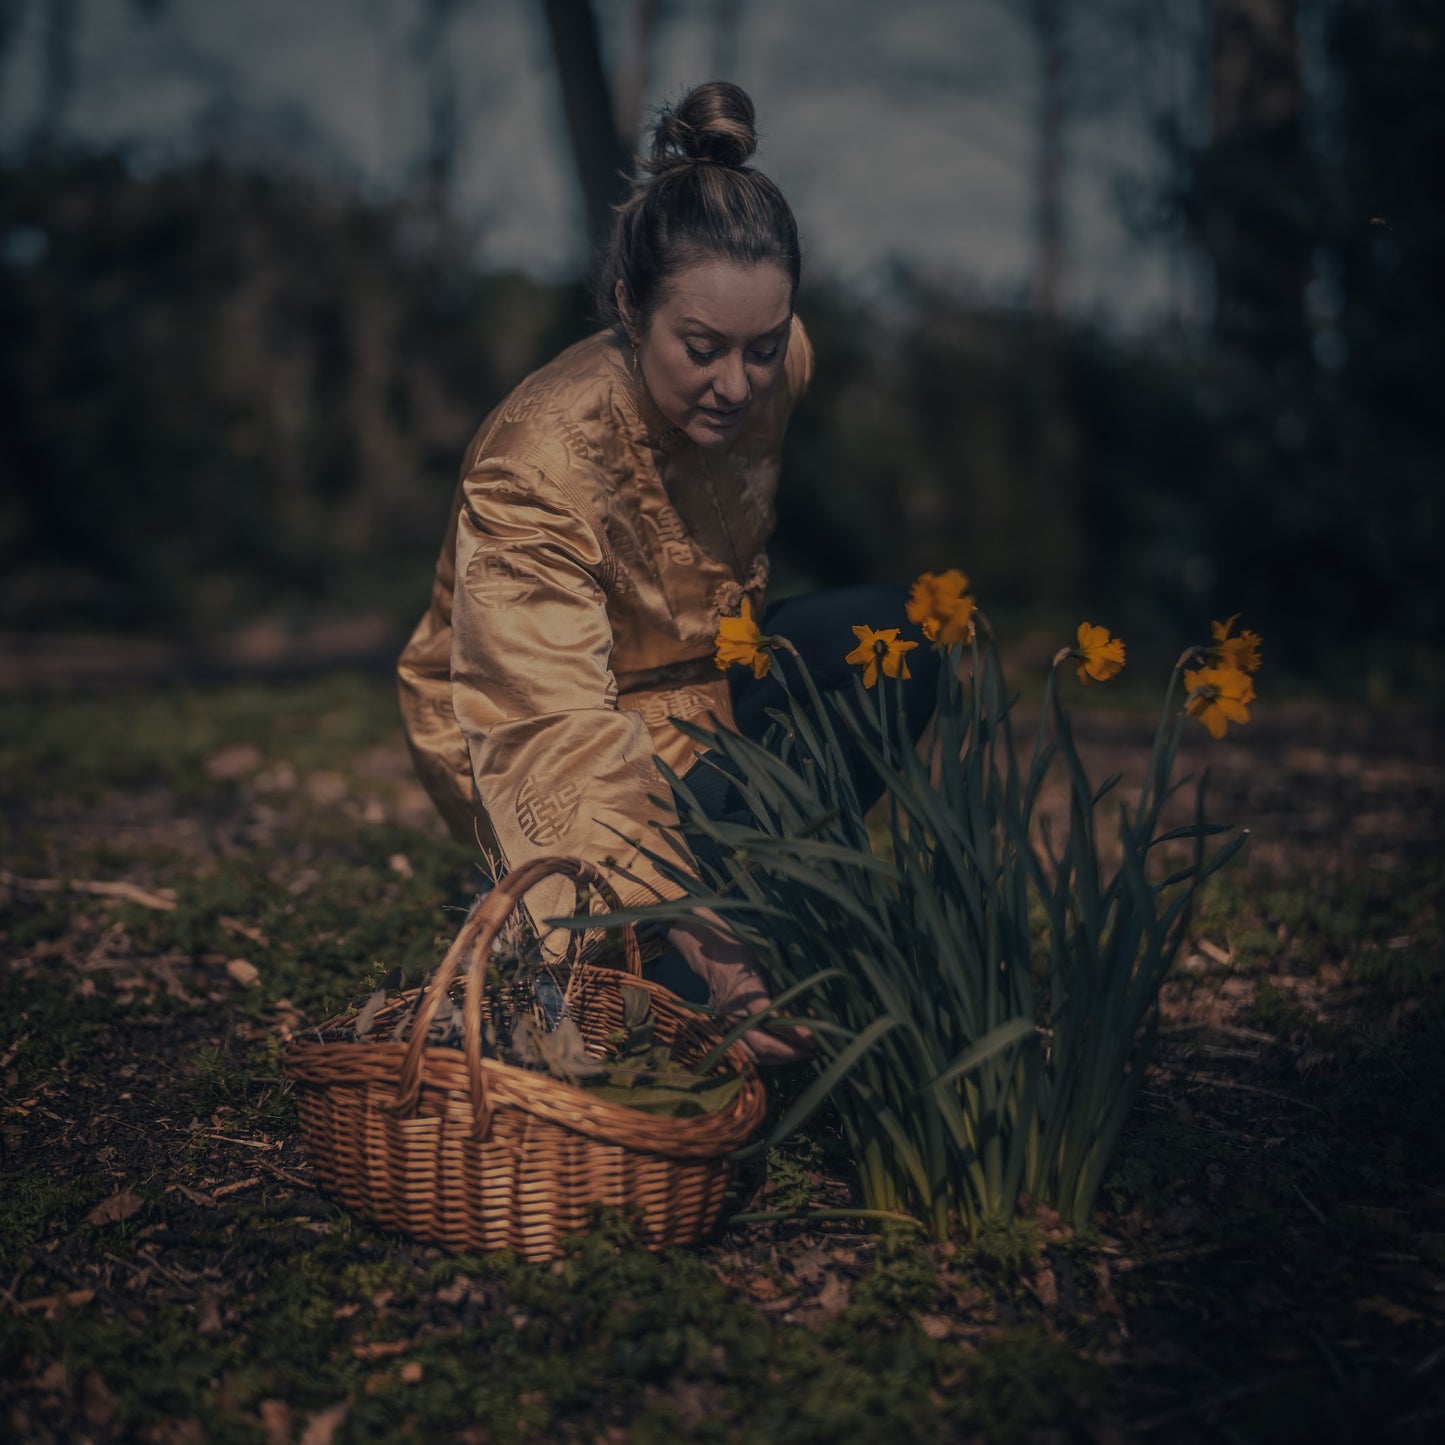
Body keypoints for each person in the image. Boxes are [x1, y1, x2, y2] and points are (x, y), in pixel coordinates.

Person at [397, 81, 936, 1063]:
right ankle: (606, 926)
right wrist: (713, 945)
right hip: (537, 722)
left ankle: (736, 896)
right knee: (685, 1015)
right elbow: (548, 719)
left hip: (702, 688)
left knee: (894, 637)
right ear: (626, 308)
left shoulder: (778, 368)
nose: (735, 383)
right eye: (700, 348)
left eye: (761, 348)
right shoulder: (536, 458)